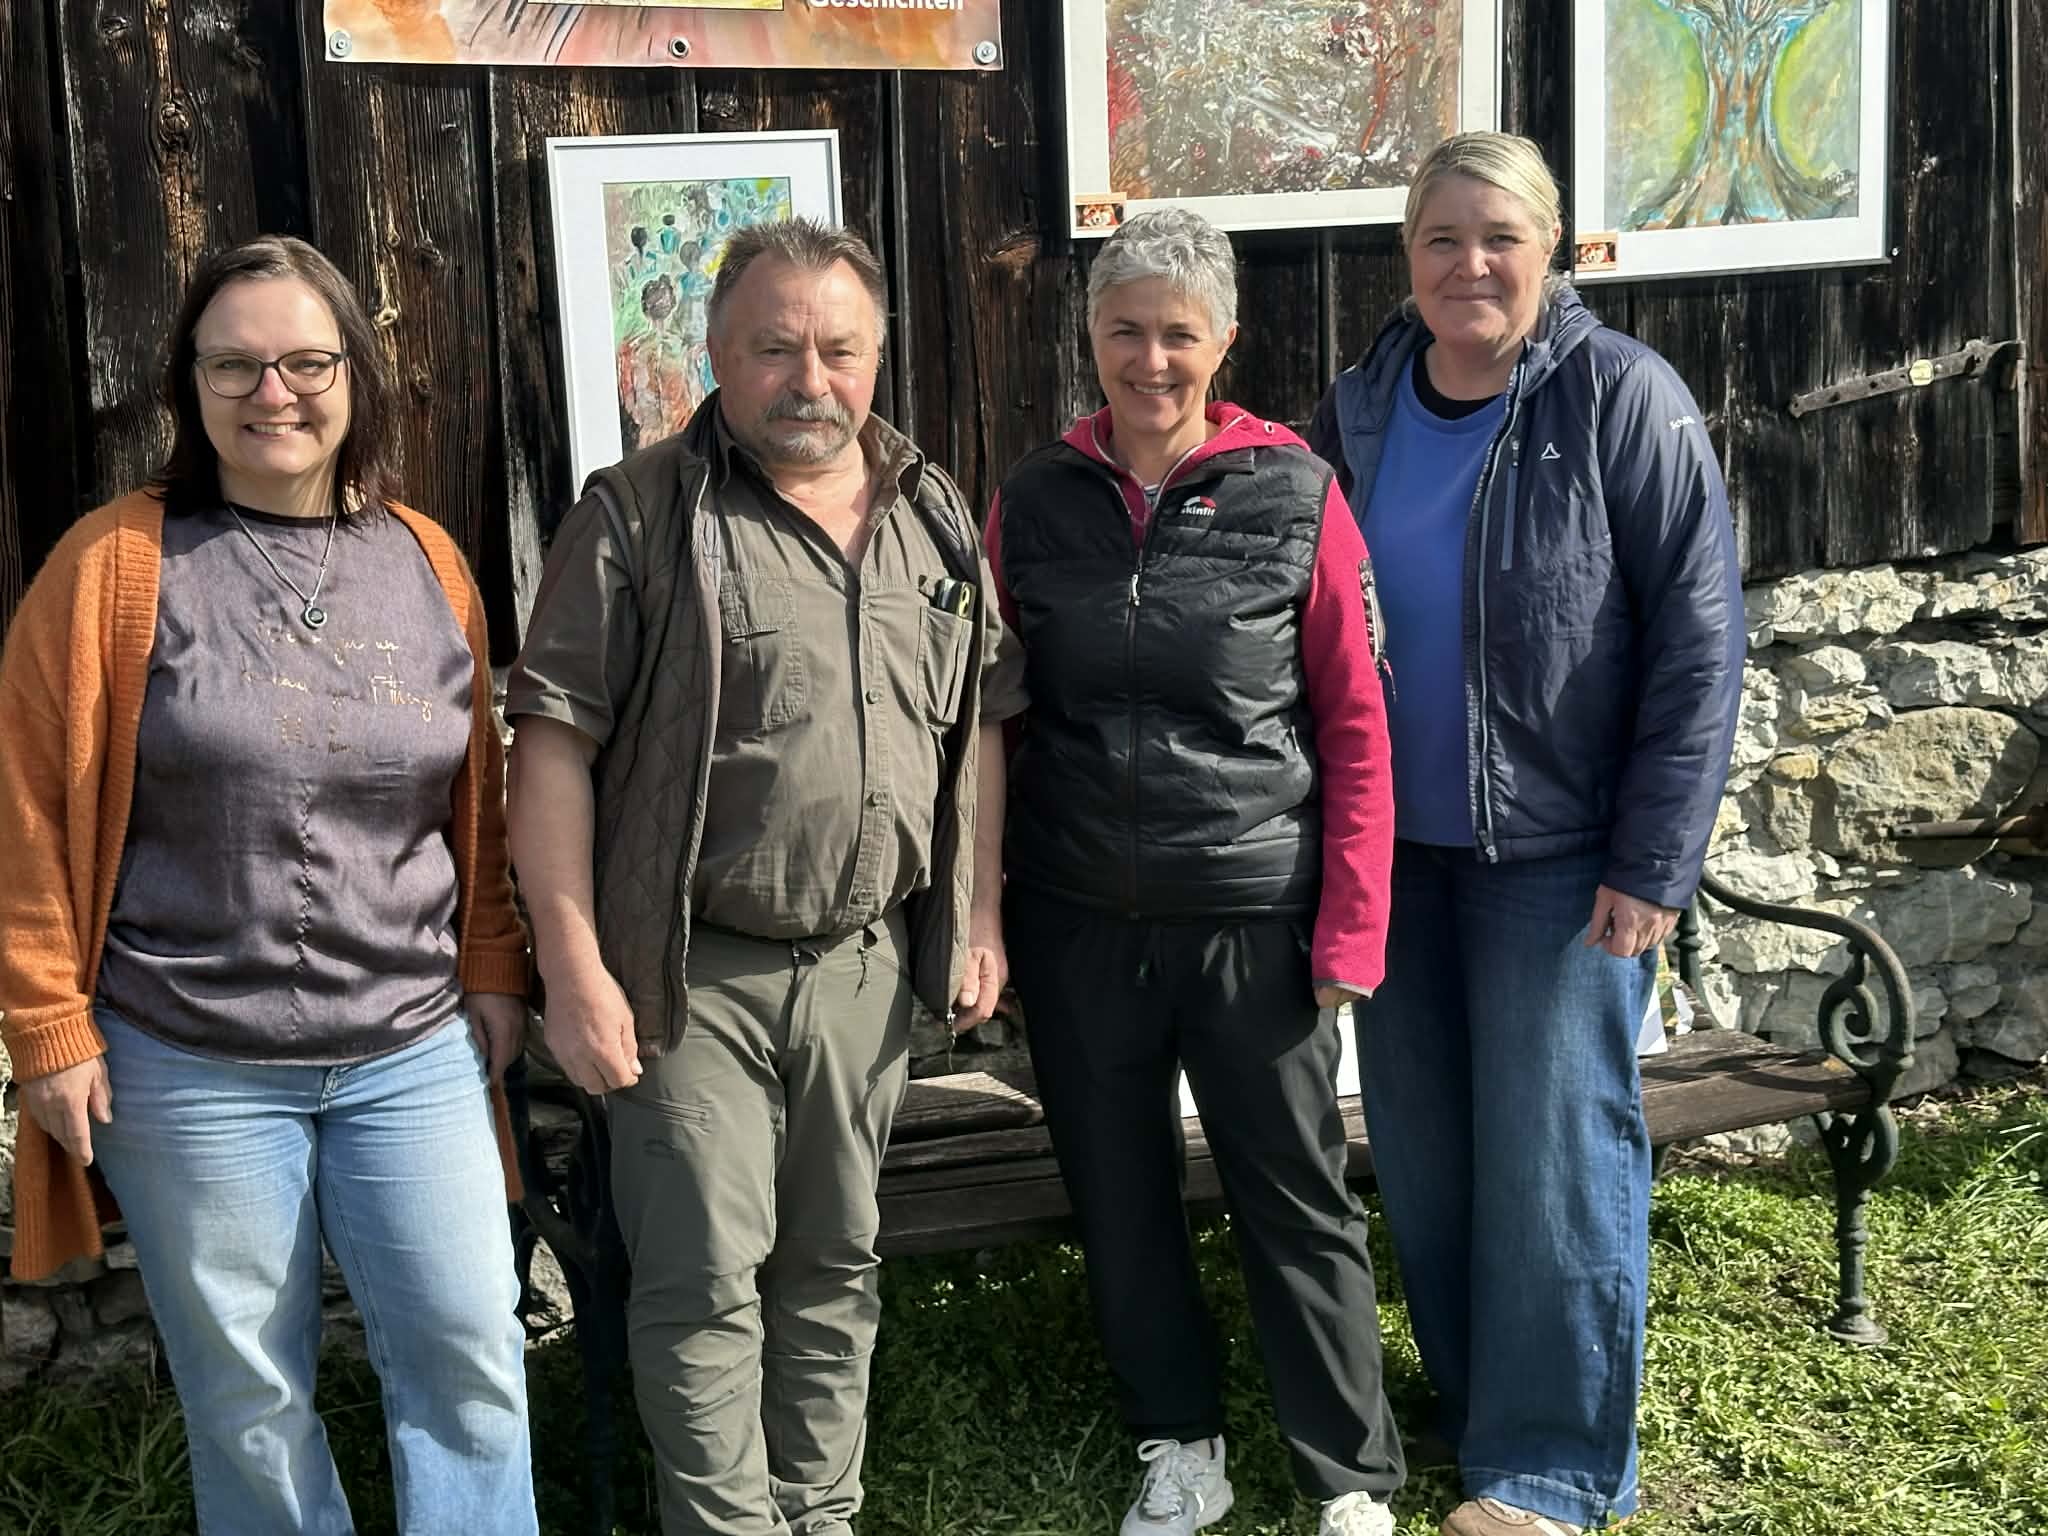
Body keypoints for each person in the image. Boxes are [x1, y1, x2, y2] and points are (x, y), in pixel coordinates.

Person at [0, 235, 536, 1533]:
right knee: (246, 1391)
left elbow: (474, 798)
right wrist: (47, 1030)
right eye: (234, 365)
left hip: (410, 1048)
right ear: (189, 384)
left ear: (354, 371)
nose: (272, 392)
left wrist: (491, 965)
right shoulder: (116, 566)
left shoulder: (428, 561)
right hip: (189, 1056)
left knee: (471, 1361)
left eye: (304, 360)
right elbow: (24, 810)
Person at [505, 217, 1026, 1536]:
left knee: (835, 1271)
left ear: (878, 353)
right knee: (703, 1285)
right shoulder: (635, 519)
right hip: (694, 977)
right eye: (776, 348)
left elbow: (978, 724)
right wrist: (573, 970)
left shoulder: (930, 511)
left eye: (839, 350)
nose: (812, 380)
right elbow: (551, 749)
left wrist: (971, 915)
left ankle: (821, 1516)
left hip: (861, 969)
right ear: (716, 357)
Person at [1307, 132, 1743, 1536]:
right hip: (1397, 862)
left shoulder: (1621, 397)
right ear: (1408, 256)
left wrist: (1651, 862)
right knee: (1431, 1159)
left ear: (1551, 247)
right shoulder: (1363, 406)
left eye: (1499, 235)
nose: (1469, 264)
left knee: (1556, 1162)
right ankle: (1482, 1410)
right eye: (1442, 238)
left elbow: (1698, 642)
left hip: (1559, 861)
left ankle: (1550, 1473)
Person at [986, 207, 1406, 1536]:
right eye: (1126, 330)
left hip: (1250, 916)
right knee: (1118, 1196)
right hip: (1078, 923)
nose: (1151, 359)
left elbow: (1354, 720)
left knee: (1297, 1197)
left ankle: (1346, 1474)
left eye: (1178, 333)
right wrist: (987, 917)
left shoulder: (1297, 491)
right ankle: (1180, 1445)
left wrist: (1352, 927)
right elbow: (995, 721)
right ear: (1090, 338)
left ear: (1223, 338)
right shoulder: (1032, 499)